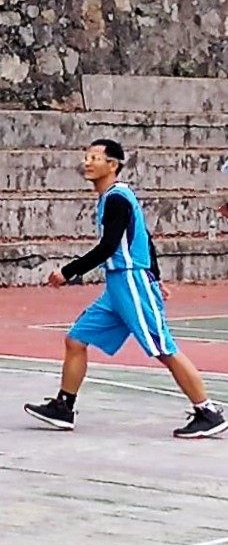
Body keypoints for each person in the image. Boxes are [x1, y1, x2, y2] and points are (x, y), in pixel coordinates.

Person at [24, 139, 226, 439]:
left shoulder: (117, 198)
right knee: (76, 339)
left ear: (113, 164)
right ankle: (63, 407)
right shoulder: (112, 198)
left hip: (131, 281)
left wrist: (68, 271)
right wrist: (156, 276)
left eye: (95, 158)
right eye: (86, 156)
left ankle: (207, 412)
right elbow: (145, 238)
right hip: (119, 285)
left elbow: (108, 247)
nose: (87, 162)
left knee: (162, 347)